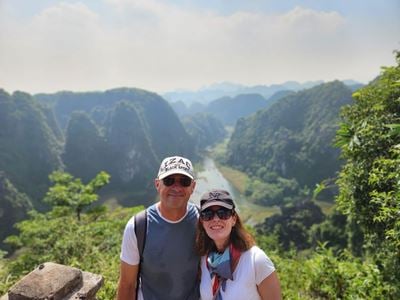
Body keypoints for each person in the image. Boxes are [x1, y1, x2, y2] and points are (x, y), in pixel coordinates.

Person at [117, 155, 200, 300]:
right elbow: (127, 284)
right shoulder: (138, 226)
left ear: (192, 187)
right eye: (169, 181)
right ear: (157, 184)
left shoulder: (203, 222)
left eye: (184, 181)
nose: (177, 187)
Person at [196, 189, 282, 300]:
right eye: (208, 214)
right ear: (202, 222)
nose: (216, 219)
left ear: (234, 219)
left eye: (223, 213)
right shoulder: (203, 260)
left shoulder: (256, 261)